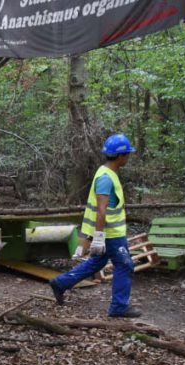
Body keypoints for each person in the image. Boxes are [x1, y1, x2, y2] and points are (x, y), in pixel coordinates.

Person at [49, 134, 141, 318]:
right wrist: (98, 237)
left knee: (97, 262)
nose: (128, 157)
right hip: (111, 234)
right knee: (125, 265)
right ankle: (119, 307)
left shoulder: (107, 174)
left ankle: (61, 283)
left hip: (110, 232)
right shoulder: (106, 178)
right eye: (127, 154)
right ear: (121, 156)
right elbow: (101, 210)